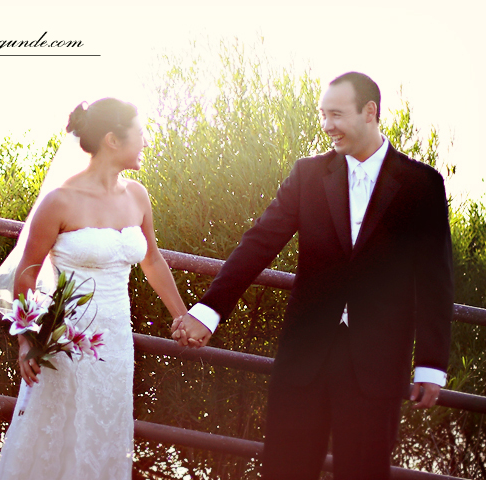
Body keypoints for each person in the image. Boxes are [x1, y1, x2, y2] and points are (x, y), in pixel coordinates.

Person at [173, 72, 453, 480]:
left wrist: (430, 364)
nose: (326, 125)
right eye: (323, 114)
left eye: (336, 114)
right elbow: (259, 244)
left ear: (370, 112)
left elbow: (435, 278)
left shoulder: (422, 184)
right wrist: (209, 311)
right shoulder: (307, 175)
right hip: (303, 359)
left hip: (377, 367)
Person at [0, 98, 188, 480]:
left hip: (116, 344)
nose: (145, 142)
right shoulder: (60, 201)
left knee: (102, 435)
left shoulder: (137, 196)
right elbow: (26, 275)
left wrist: (182, 315)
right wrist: (28, 342)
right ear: (113, 140)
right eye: (140, 134)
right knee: (55, 439)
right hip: (67, 342)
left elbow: (152, 261)